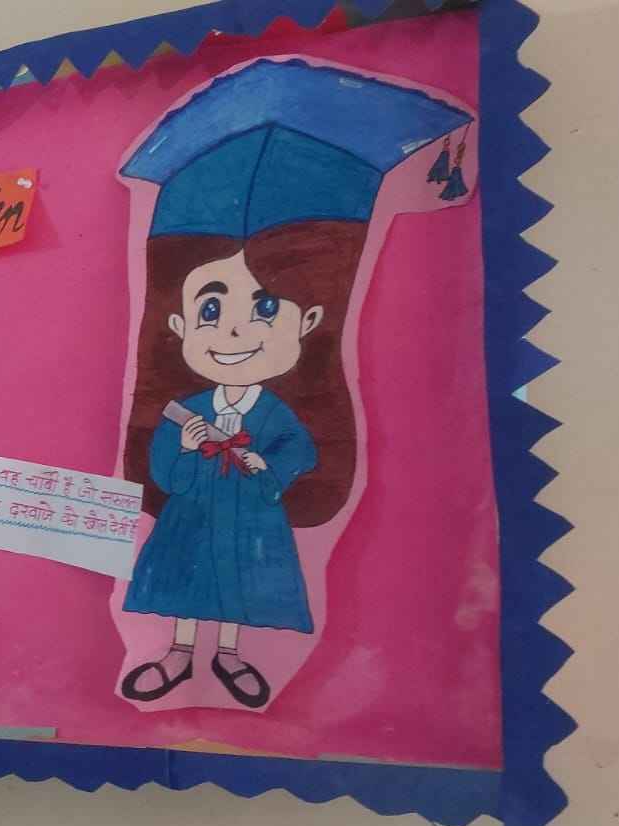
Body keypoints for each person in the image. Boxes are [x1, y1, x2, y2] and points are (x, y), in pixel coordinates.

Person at [117, 59, 473, 708]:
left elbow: (296, 453)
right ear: (178, 324)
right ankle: (176, 653)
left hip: (252, 518)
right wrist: (187, 451)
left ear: (309, 321)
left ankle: (228, 656)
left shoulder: (280, 413)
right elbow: (164, 468)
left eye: (266, 307)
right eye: (211, 309)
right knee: (186, 585)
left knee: (235, 591)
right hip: (193, 516)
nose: (234, 331)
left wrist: (263, 465)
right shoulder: (185, 406)